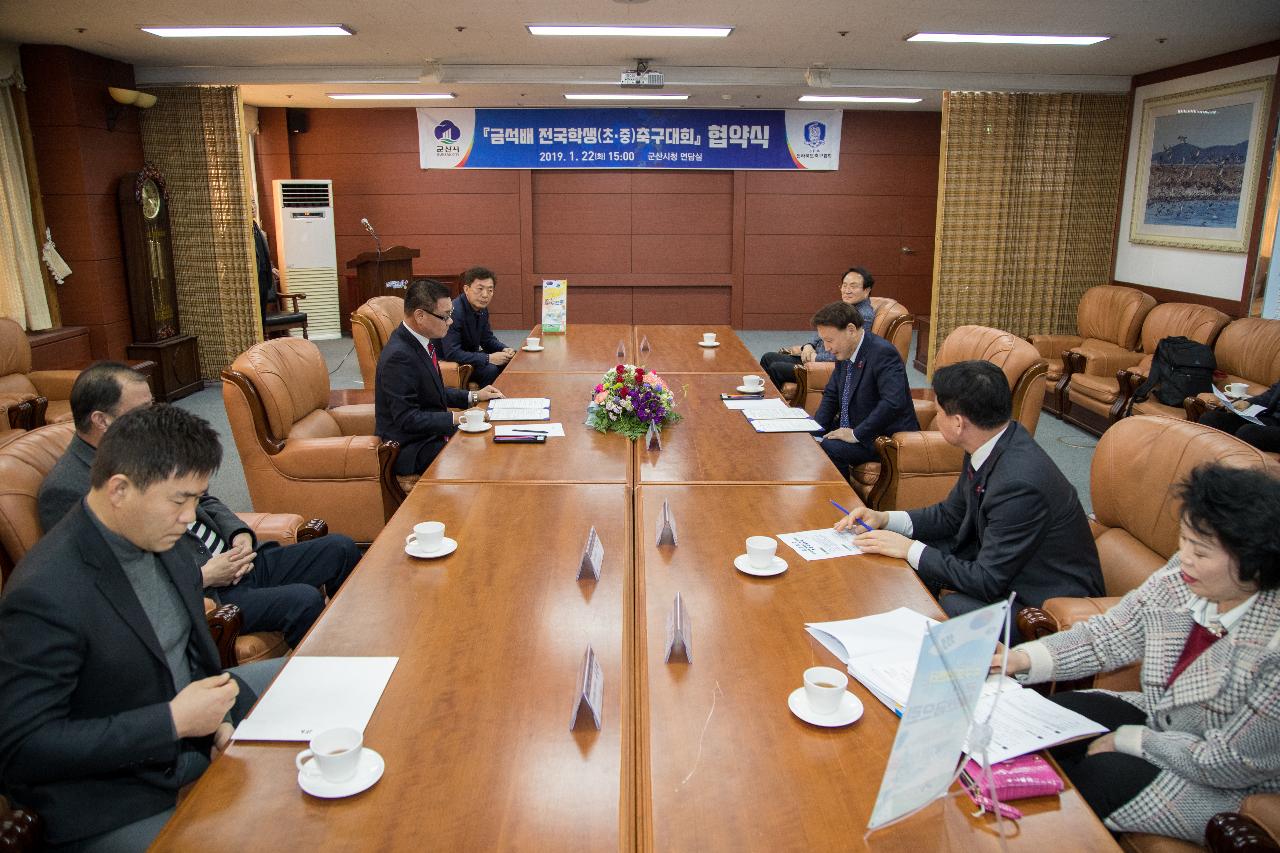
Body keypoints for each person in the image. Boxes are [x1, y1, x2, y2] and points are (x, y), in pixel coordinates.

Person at [0, 405, 285, 851]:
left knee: (312, 676)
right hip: (111, 797)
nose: (192, 517)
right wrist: (172, 721)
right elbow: (24, 747)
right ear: (119, 490)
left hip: (189, 727)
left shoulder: (162, 538)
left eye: (197, 498)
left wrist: (219, 722)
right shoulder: (44, 593)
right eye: (180, 500)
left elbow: (191, 649)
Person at [994, 464, 1280, 843]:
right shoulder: (1184, 575)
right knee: (1038, 715)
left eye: (1202, 551)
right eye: (1184, 540)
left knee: (1099, 777)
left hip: (1227, 782)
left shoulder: (1272, 647)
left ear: (1255, 564)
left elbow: (1229, 762)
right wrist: (1019, 659)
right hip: (1165, 719)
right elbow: (1110, 634)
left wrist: (1133, 741)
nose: (1185, 558)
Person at [38, 362, 360, 649]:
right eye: (142, 410)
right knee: (303, 601)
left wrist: (238, 534)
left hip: (239, 559)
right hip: (212, 591)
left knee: (340, 548)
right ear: (102, 420)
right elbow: (115, 577)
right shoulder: (68, 489)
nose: (153, 418)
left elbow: (204, 497)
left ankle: (357, 645)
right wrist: (202, 575)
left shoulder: (139, 445)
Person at [837, 360, 1103, 629]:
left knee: (949, 602)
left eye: (938, 411)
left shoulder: (1020, 484)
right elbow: (950, 515)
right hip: (1001, 566)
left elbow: (987, 581)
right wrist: (884, 518)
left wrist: (909, 549)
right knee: (900, 556)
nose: (935, 418)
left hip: (1044, 606)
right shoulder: (992, 442)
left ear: (958, 423)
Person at [375, 278, 504, 476]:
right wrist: (457, 417)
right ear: (420, 315)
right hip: (412, 448)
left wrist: (475, 396)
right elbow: (408, 419)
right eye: (445, 316)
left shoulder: (421, 341)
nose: (450, 321)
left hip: (429, 435)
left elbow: (431, 392)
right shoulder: (399, 356)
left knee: (489, 438)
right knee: (480, 453)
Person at [809, 300, 917, 469]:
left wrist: (855, 433)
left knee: (830, 447)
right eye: (823, 341)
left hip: (881, 437)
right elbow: (832, 395)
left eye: (829, 340)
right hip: (853, 424)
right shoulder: (845, 351)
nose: (827, 348)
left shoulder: (882, 353)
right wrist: (815, 433)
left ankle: (839, 495)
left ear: (851, 330)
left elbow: (893, 403)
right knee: (806, 436)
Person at [759, 267, 878, 390]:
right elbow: (822, 330)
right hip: (814, 356)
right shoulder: (845, 307)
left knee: (776, 368)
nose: (847, 290)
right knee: (768, 358)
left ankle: (772, 403)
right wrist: (809, 345)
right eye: (844, 285)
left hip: (825, 365)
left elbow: (850, 351)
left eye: (853, 287)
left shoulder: (863, 316)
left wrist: (815, 358)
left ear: (867, 290)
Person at [439, 266, 516, 387]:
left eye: (490, 290)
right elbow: (452, 353)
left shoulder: (482, 309)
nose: (485, 295)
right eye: (480, 289)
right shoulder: (454, 312)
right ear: (466, 289)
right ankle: (486, 402)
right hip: (453, 363)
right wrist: (488, 358)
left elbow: (487, 340)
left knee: (510, 360)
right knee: (490, 369)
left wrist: (504, 349)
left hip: (470, 357)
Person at [1199, 379, 1280, 453]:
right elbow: (1270, 395)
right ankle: (1209, 459)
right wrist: (1247, 403)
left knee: (1247, 432)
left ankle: (1229, 464)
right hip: (1270, 419)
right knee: (1211, 418)